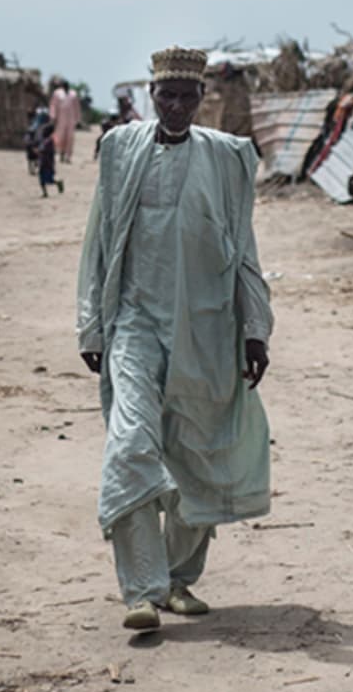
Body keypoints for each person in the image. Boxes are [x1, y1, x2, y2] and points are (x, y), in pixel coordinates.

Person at [76, 46, 273, 632]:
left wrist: (254, 329)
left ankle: (178, 580)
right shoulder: (119, 150)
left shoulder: (229, 157)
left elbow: (243, 247)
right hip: (134, 322)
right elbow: (98, 244)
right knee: (131, 444)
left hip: (207, 325)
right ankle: (140, 588)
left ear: (202, 97)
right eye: (169, 95)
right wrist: (91, 324)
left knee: (195, 451)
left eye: (190, 96)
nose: (179, 106)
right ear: (151, 94)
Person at [49, 78, 83, 164]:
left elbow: (77, 108)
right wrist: (53, 116)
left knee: (70, 138)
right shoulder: (57, 93)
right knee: (60, 137)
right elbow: (53, 105)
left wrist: (78, 120)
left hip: (71, 120)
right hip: (61, 119)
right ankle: (61, 154)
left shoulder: (73, 94)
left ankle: (68, 156)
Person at [37, 127, 63, 197]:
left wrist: (40, 151)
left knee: (49, 180)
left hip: (48, 164)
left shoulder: (49, 141)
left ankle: (58, 183)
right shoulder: (44, 140)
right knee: (41, 180)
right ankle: (45, 193)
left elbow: (46, 151)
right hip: (42, 163)